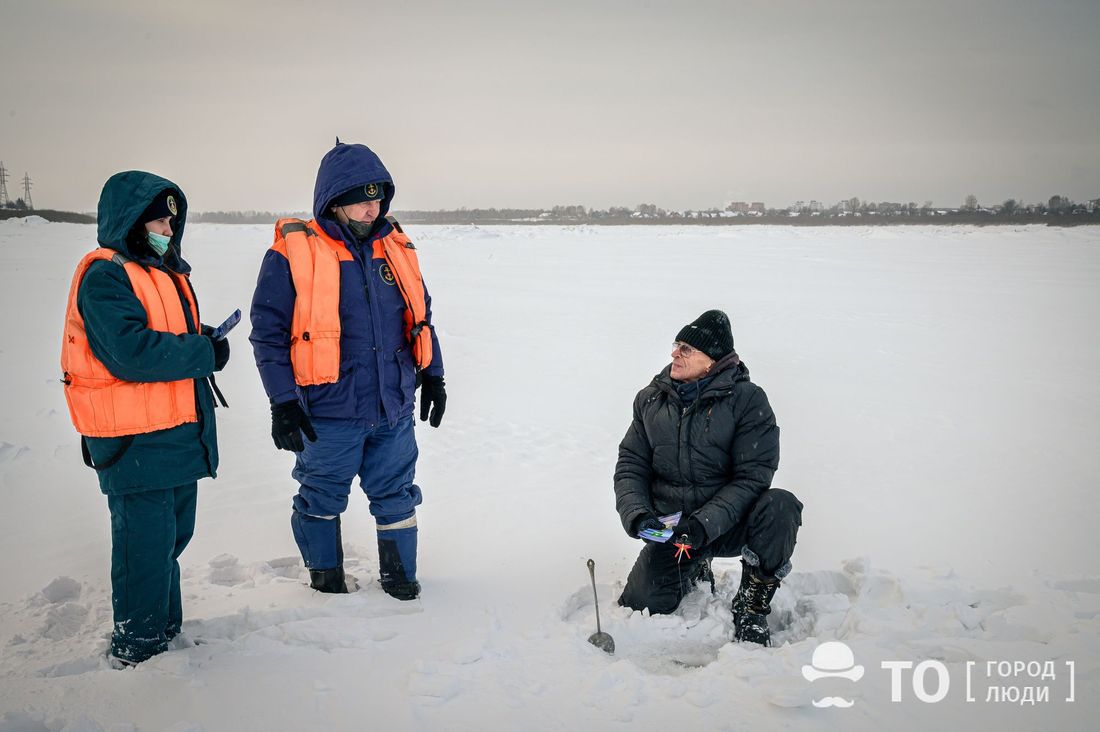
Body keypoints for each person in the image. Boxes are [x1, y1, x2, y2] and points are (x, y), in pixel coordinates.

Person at [249, 140, 445, 600]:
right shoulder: (291, 254)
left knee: (398, 495)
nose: (370, 209)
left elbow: (421, 318)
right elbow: (267, 335)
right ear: (332, 202)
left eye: (377, 198)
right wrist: (282, 402)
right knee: (321, 496)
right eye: (360, 198)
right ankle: (325, 580)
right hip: (329, 411)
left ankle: (401, 581)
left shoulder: (395, 249)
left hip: (392, 407)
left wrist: (433, 373)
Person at [60, 171, 230, 666]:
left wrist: (200, 335)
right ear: (132, 220)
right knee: (145, 547)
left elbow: (158, 331)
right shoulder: (106, 274)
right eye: (159, 218)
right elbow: (130, 352)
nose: (168, 229)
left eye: (172, 220)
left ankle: (164, 632)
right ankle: (138, 647)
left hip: (173, 431)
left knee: (170, 540)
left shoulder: (163, 271)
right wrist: (203, 352)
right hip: (134, 439)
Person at [614, 309, 802, 646]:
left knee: (780, 506)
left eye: (686, 349)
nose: (675, 353)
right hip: (676, 531)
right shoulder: (651, 399)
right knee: (641, 604)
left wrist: (703, 525)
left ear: (712, 361)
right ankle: (696, 566)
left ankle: (751, 604)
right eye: (676, 345)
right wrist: (639, 514)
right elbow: (631, 464)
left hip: (727, 524)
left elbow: (752, 478)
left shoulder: (748, 401)